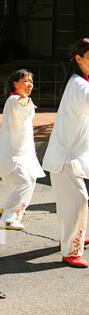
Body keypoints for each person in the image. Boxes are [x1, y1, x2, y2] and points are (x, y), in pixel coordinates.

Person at [42, 38, 89, 268]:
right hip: (66, 156)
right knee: (77, 200)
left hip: (68, 155)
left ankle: (74, 235)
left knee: (71, 202)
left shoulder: (80, 82)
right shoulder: (78, 85)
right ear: (78, 59)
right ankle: (71, 249)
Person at [0, 69, 45, 231]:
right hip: (14, 152)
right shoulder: (15, 100)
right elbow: (22, 110)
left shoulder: (21, 100)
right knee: (24, 182)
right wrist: (24, 104)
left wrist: (26, 104)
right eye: (25, 81)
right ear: (15, 83)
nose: (29, 84)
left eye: (31, 81)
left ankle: (9, 207)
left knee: (28, 179)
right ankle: (9, 218)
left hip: (22, 151)